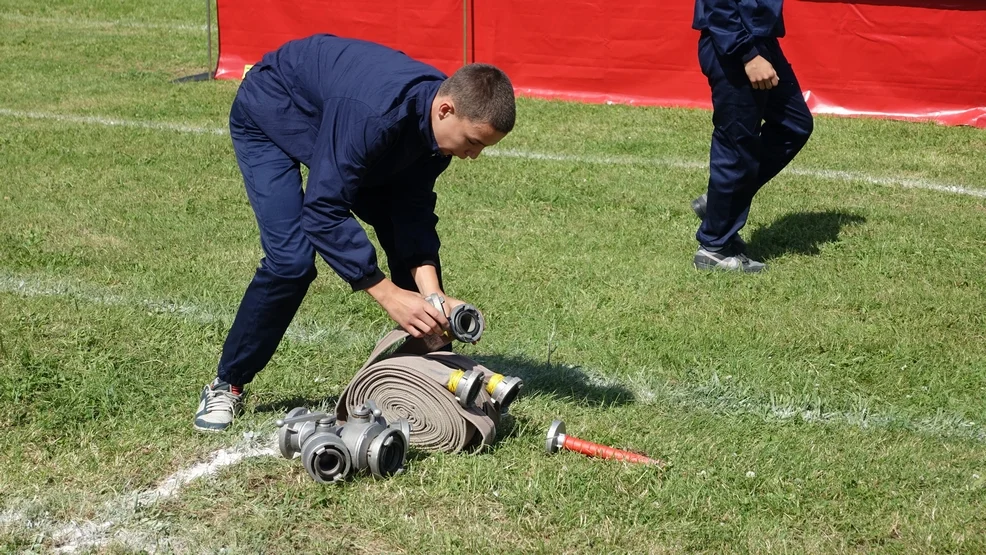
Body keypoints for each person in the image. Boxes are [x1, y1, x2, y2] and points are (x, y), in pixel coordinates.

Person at [194, 34, 516, 432]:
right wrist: (388, 294)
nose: (473, 155)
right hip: (273, 113)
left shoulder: (435, 130)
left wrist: (433, 297)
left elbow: (411, 213)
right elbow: (323, 211)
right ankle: (227, 384)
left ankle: (431, 370)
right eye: (472, 142)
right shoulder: (374, 114)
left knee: (401, 228)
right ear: (446, 109)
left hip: (337, 123)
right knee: (291, 262)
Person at [691, 0, 813, 272]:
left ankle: (720, 203)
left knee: (793, 125)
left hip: (762, 39)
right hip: (734, 43)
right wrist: (746, 53)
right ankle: (714, 249)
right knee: (737, 145)